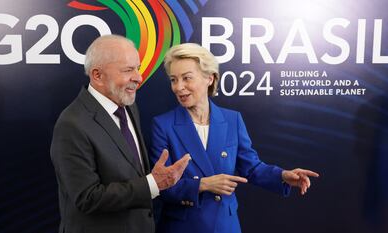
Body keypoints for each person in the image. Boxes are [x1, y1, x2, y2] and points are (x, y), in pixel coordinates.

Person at [150, 43, 320, 233]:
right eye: (174, 80)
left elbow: (251, 168)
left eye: (186, 78)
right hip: (182, 227)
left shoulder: (233, 120)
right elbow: (161, 187)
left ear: (209, 78)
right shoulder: (163, 125)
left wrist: (282, 176)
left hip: (225, 225)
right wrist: (203, 184)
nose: (178, 87)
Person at [50, 35, 191, 233]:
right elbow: (87, 197)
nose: (139, 77)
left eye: (138, 68)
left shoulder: (128, 105)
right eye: (128, 70)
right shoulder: (72, 125)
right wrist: (152, 183)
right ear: (97, 75)